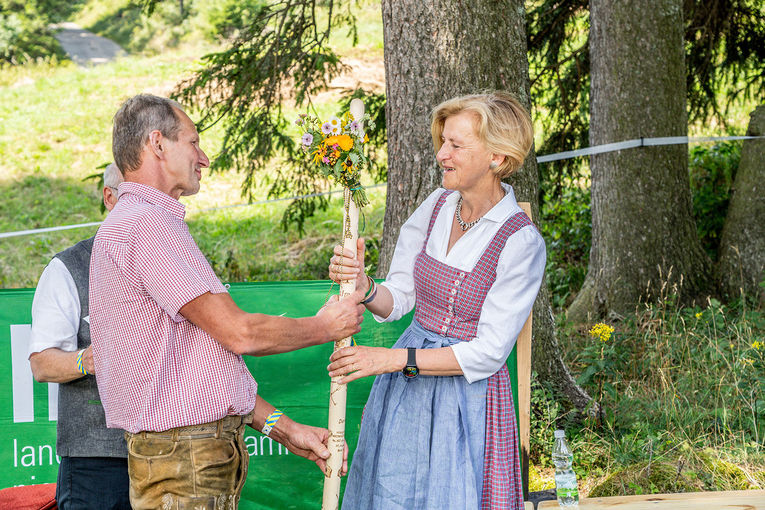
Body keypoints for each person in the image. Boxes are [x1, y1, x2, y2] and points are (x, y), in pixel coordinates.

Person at [89, 94, 365, 509]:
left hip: (189, 456)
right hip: (186, 460)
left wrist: (285, 428)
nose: (204, 158)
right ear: (158, 144)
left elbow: (202, 370)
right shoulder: (146, 226)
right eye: (193, 143)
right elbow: (240, 333)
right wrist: (327, 326)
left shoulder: (147, 222)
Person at [326, 92, 546, 509]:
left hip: (466, 401)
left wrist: (392, 360)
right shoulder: (438, 205)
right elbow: (401, 298)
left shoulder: (520, 241)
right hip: (407, 390)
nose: (442, 154)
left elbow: (487, 354)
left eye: (456, 145)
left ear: (497, 158)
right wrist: (364, 287)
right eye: (442, 141)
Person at [28, 163, 130, 510]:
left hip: (172, 451)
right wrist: (88, 359)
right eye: (134, 198)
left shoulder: (173, 260)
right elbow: (42, 363)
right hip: (97, 462)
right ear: (109, 198)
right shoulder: (68, 267)